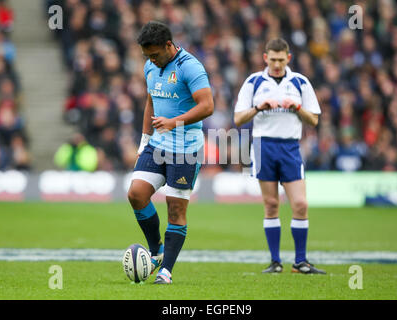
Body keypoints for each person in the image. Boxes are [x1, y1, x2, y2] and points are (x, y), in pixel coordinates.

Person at [127, 21, 214, 284]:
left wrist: (175, 122)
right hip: (157, 145)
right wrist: (144, 140)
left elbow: (208, 105)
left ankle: (166, 270)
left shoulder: (191, 67)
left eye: (154, 54)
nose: (151, 60)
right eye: (147, 56)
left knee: (175, 210)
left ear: (169, 45)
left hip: (185, 150)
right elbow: (151, 101)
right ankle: (157, 251)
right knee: (136, 194)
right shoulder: (151, 66)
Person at [234, 38, 326, 274]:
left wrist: (297, 108)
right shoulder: (253, 82)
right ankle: (275, 262)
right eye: (272, 59)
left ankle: (300, 262)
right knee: (272, 204)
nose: (276, 64)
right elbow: (238, 119)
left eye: (280, 59)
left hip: (290, 147)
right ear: (265, 58)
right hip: (263, 147)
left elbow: (314, 120)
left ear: (288, 58)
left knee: (300, 204)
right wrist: (258, 109)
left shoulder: (300, 82)